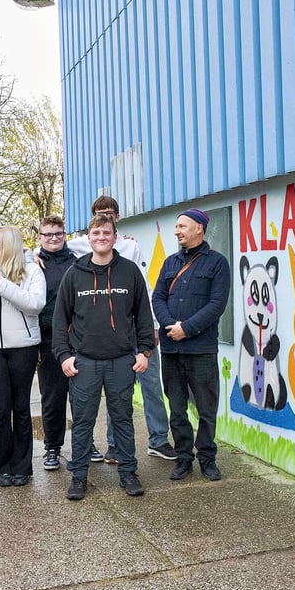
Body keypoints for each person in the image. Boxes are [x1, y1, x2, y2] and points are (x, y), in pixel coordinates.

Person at [66, 196, 176, 464]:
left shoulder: (130, 245)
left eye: (111, 213)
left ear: (117, 217)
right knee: (116, 393)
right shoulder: (81, 243)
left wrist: (153, 327)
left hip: (137, 329)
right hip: (104, 336)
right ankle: (113, 446)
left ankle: (159, 440)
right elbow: (53, 246)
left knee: (151, 385)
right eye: (100, 214)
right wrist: (35, 254)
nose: (106, 217)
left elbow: (143, 290)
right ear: (92, 220)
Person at [52, 214, 155, 501]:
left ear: (114, 236)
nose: (101, 237)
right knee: (83, 421)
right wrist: (63, 356)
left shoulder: (130, 271)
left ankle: (128, 472)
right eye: (95, 232)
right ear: (89, 237)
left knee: (122, 419)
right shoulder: (74, 274)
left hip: (122, 360)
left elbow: (143, 315)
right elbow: (60, 320)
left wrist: (145, 350)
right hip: (84, 362)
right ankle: (79, 476)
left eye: (106, 232)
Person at [151, 208, 231, 481]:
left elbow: (216, 305)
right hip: (172, 350)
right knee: (176, 408)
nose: (177, 231)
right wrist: (170, 325)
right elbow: (157, 298)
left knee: (207, 409)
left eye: (183, 226)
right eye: (176, 227)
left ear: (199, 228)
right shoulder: (170, 263)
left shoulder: (217, 263)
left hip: (202, 350)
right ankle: (184, 457)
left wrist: (187, 328)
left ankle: (207, 457)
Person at [0, 226, 45, 487]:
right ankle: (3, 467)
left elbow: (35, 304)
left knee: (21, 407)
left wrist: (3, 285)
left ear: (10, 246)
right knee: (1, 409)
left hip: (23, 348)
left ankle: (23, 467)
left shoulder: (32, 271)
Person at [36, 216, 77, 471]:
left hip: (79, 341)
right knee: (52, 398)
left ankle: (85, 443)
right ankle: (52, 446)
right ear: (40, 237)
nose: (54, 238)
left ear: (65, 235)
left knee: (82, 397)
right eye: (48, 234)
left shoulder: (77, 262)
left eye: (58, 234)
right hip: (48, 341)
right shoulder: (33, 265)